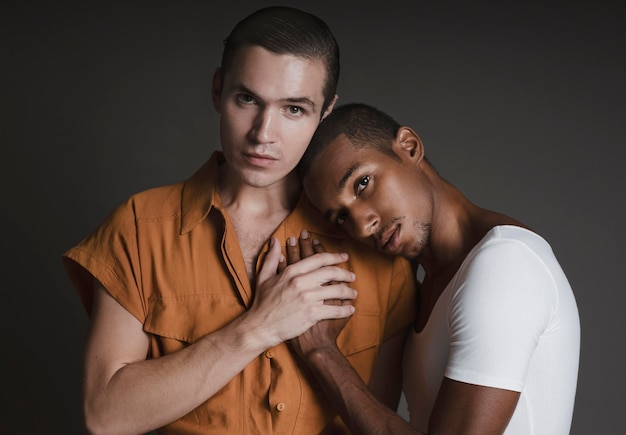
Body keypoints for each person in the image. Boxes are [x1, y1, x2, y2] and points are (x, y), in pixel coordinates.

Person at [61, 9, 416, 435]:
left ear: (325, 112)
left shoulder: (372, 246)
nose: (263, 134)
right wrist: (260, 326)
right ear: (218, 90)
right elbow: (104, 415)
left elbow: (376, 424)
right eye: (247, 99)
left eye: (294, 109)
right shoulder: (138, 228)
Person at [292, 102, 580, 434]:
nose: (362, 225)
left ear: (409, 147)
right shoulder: (427, 288)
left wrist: (321, 350)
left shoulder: (506, 263)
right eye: (342, 217)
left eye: (362, 183)